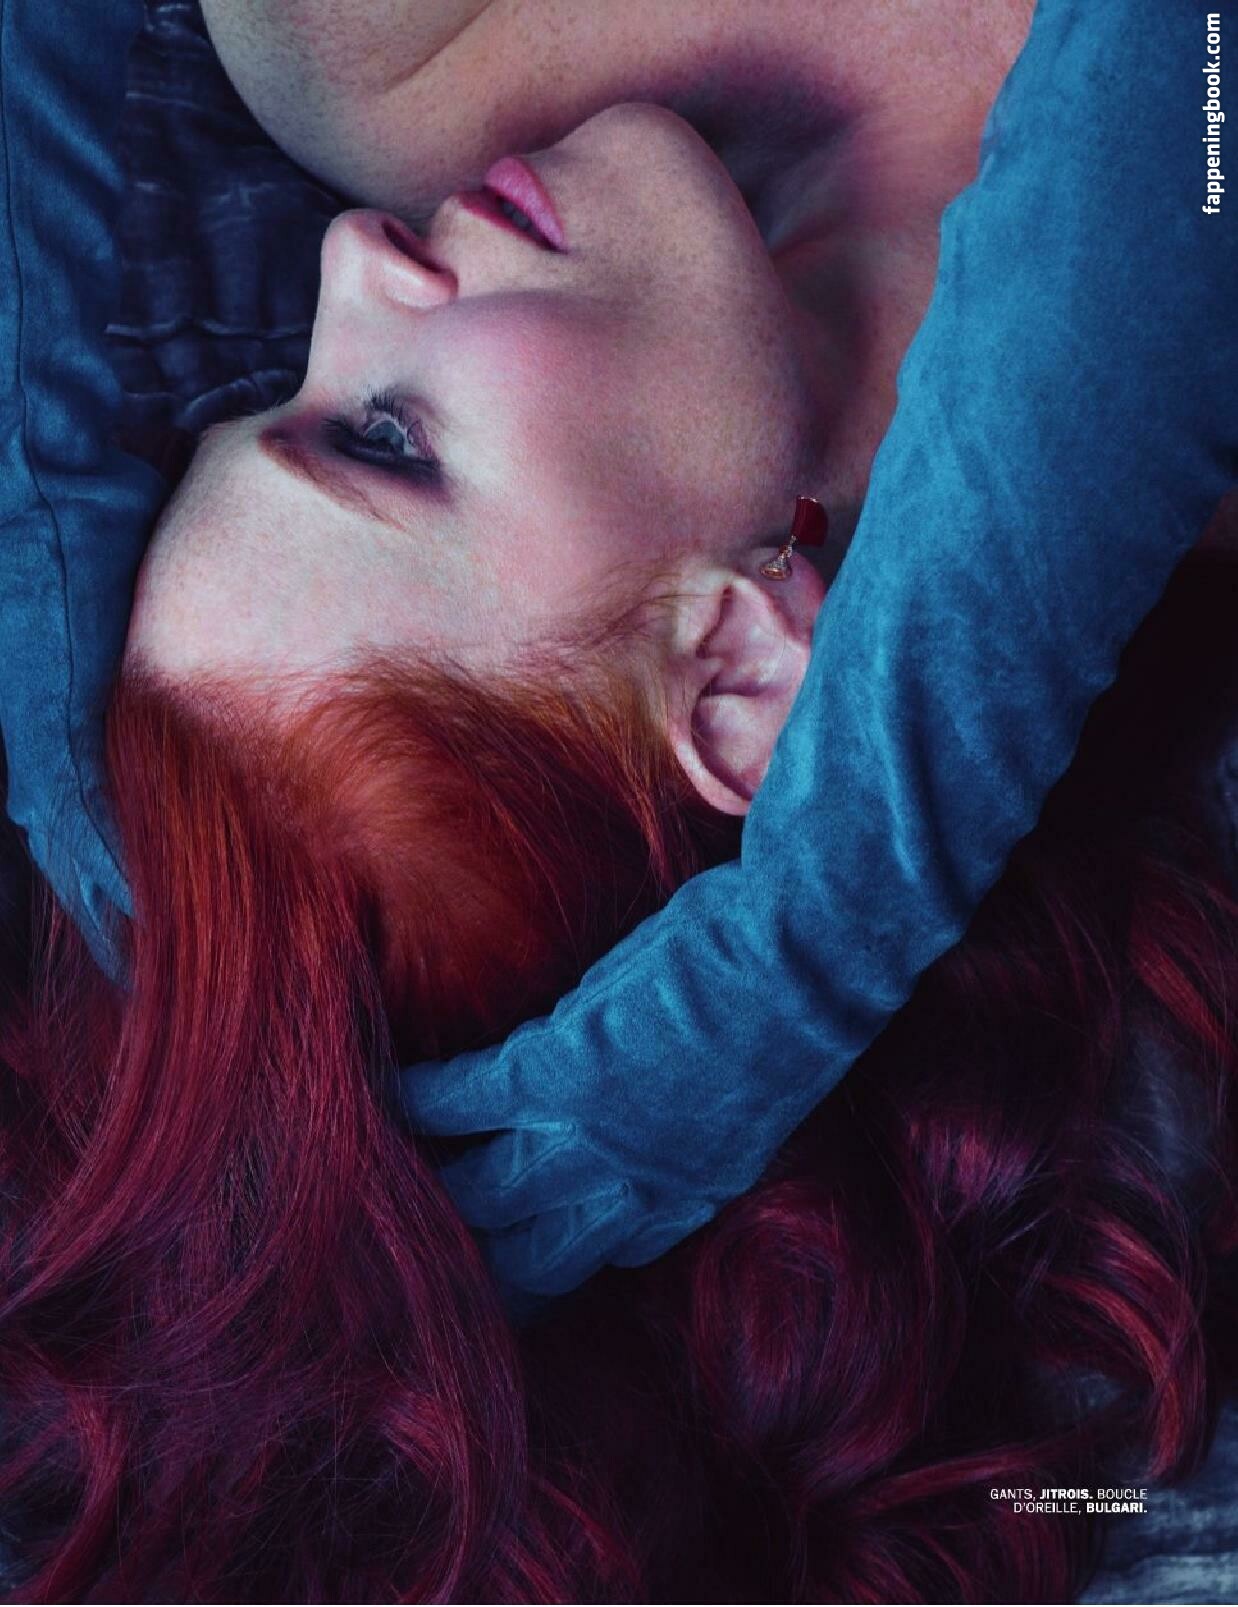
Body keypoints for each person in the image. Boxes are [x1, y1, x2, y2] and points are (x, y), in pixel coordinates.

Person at [1, 0, 1235, 1599]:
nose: (352, 260)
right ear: (729, 682)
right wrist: (830, 906)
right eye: (387, 438)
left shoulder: (389, 58)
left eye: (274, 398)